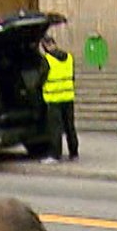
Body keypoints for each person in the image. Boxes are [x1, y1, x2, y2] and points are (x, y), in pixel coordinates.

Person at [39, 33, 76, 163]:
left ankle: (55, 155)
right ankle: (74, 153)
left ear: (45, 46)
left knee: (55, 128)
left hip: (54, 99)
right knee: (70, 126)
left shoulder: (47, 60)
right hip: (68, 97)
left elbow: (41, 79)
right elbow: (72, 77)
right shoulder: (69, 58)